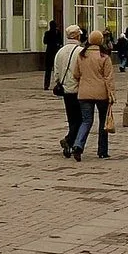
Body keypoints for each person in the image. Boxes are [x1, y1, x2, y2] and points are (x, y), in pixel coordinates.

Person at [71, 30, 115, 161]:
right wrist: (111, 94)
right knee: (103, 122)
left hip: (84, 93)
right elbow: (109, 78)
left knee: (86, 121)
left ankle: (78, 145)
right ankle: (102, 151)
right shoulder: (104, 56)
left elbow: (75, 74)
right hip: (101, 94)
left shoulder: (81, 55)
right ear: (101, 41)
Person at [53, 25, 83, 157]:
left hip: (65, 90)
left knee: (71, 118)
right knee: (81, 119)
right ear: (77, 36)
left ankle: (69, 145)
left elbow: (57, 73)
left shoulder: (60, 52)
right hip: (78, 89)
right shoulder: (81, 51)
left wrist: (60, 82)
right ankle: (69, 140)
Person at [42, 20, 61, 90]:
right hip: (56, 52)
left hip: (49, 52)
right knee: (58, 70)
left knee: (48, 70)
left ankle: (46, 85)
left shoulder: (47, 33)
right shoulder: (57, 33)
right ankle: (59, 84)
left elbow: (44, 41)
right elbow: (61, 41)